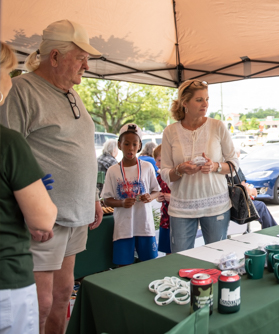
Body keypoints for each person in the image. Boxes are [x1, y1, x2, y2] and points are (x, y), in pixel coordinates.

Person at [0, 20, 103, 334]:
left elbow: (81, 151)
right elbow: (7, 156)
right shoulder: (22, 90)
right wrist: (29, 215)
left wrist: (93, 198)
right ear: (55, 57)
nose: (87, 65)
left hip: (75, 216)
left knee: (62, 296)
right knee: (40, 302)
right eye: (80, 57)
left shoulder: (72, 93)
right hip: (43, 222)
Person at [0, 41, 58, 334]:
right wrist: (36, 200)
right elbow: (43, 219)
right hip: (6, 280)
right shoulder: (8, 142)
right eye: (7, 72)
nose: (10, 81)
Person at [160, 79, 238, 253]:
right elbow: (165, 172)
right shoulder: (170, 132)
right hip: (182, 208)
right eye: (199, 99)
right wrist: (180, 169)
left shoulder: (218, 126)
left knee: (217, 259)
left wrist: (215, 166)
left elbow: (234, 164)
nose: (205, 104)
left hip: (216, 205)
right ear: (185, 103)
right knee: (180, 260)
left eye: (207, 99)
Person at [102, 123, 160, 265]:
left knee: (149, 264)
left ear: (139, 145)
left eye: (134, 144)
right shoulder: (113, 170)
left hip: (144, 226)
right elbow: (106, 199)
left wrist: (149, 197)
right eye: (126, 144)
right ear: (119, 145)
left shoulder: (147, 167)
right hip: (123, 228)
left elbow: (156, 191)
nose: (131, 148)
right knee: (123, 266)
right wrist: (121, 203)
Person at [233, 149, 277, 229]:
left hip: (226, 205)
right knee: (261, 206)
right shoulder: (233, 166)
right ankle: (272, 230)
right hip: (235, 208)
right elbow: (243, 189)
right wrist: (252, 191)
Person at [153, 144, 171, 254]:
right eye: (156, 161)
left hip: (177, 219)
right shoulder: (159, 177)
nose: (157, 164)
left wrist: (172, 198)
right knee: (167, 250)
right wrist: (158, 197)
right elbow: (156, 193)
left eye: (159, 160)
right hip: (165, 219)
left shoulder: (178, 176)